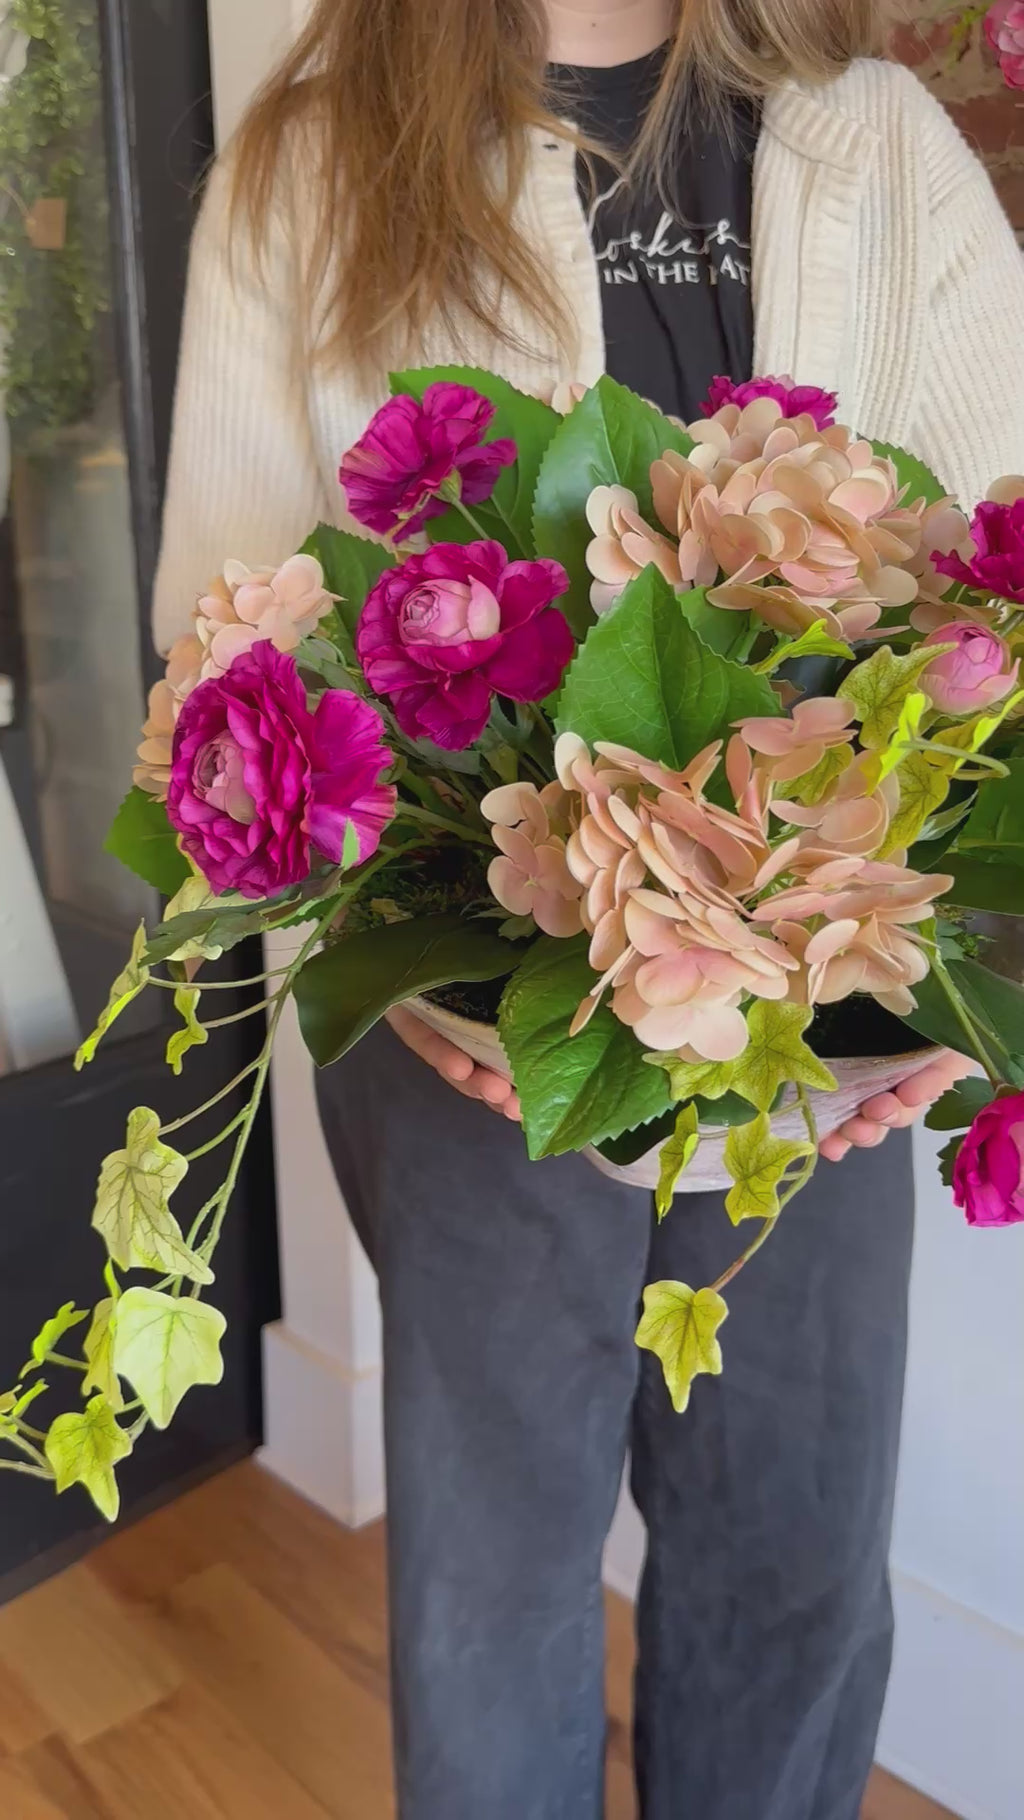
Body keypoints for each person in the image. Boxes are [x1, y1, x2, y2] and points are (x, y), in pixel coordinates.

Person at [153, 3, 1024, 1816]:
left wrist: (960, 1006)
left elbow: (1001, 597)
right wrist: (386, 976)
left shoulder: (875, 141)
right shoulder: (312, 161)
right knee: (494, 1599)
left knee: (791, 1581)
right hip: (468, 1048)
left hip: (823, 1061)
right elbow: (219, 667)